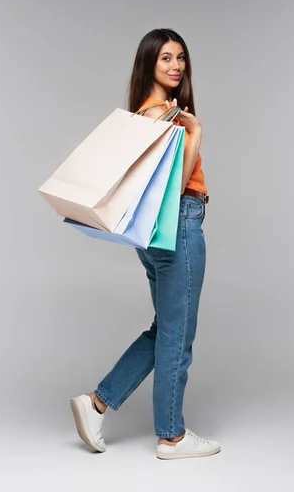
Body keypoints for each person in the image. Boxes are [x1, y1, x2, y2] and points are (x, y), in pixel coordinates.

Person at [70, 28, 220, 460]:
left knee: (164, 329)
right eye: (166, 59)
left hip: (151, 234)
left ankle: (96, 403)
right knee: (179, 335)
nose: (176, 66)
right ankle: (171, 435)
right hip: (179, 225)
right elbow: (174, 184)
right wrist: (196, 134)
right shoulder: (164, 116)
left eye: (181, 58)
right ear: (149, 65)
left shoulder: (143, 113)